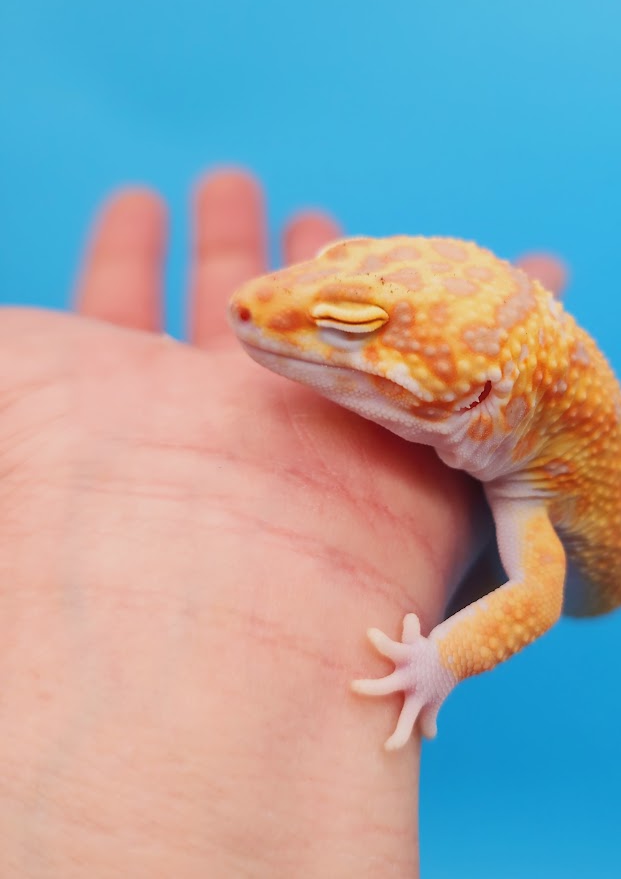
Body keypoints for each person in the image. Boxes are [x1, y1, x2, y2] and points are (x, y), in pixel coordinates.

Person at [0, 167, 566, 875]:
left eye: (348, 326)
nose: (253, 303)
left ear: (482, 397)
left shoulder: (540, 481)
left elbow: (540, 596)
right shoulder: (494, 400)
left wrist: (438, 663)